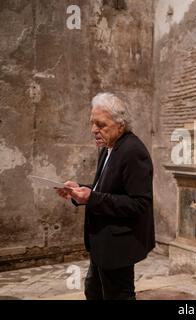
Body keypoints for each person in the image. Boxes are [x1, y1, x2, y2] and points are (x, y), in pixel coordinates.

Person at [56, 92, 155, 300]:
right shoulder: (109, 147)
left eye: (101, 125)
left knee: (118, 296)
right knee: (93, 291)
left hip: (119, 243)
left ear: (121, 125)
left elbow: (139, 203)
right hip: (102, 240)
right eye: (92, 123)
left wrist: (91, 198)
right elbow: (106, 188)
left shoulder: (133, 151)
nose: (94, 130)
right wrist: (78, 189)